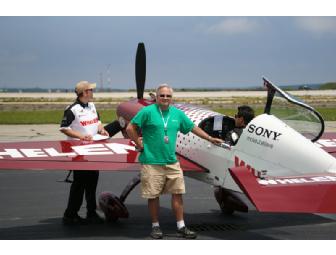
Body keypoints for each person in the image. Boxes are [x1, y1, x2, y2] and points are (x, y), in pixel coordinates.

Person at [126, 84, 223, 239]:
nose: (165, 98)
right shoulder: (147, 111)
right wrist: (139, 143)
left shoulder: (177, 114)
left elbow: (192, 128)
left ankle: (181, 226)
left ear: (172, 98)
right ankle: (156, 226)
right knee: (153, 195)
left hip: (172, 161)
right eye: (162, 95)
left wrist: (210, 138)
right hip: (152, 161)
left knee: (178, 194)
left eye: (168, 96)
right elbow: (130, 128)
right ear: (156, 97)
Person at [60, 80, 109, 225]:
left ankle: (91, 212)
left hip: (93, 151)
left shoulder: (92, 106)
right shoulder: (72, 109)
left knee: (92, 184)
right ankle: (70, 214)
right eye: (91, 90)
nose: (93, 92)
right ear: (85, 93)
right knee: (79, 185)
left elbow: (97, 121)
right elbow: (64, 128)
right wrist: (81, 136)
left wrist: (101, 129)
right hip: (79, 153)